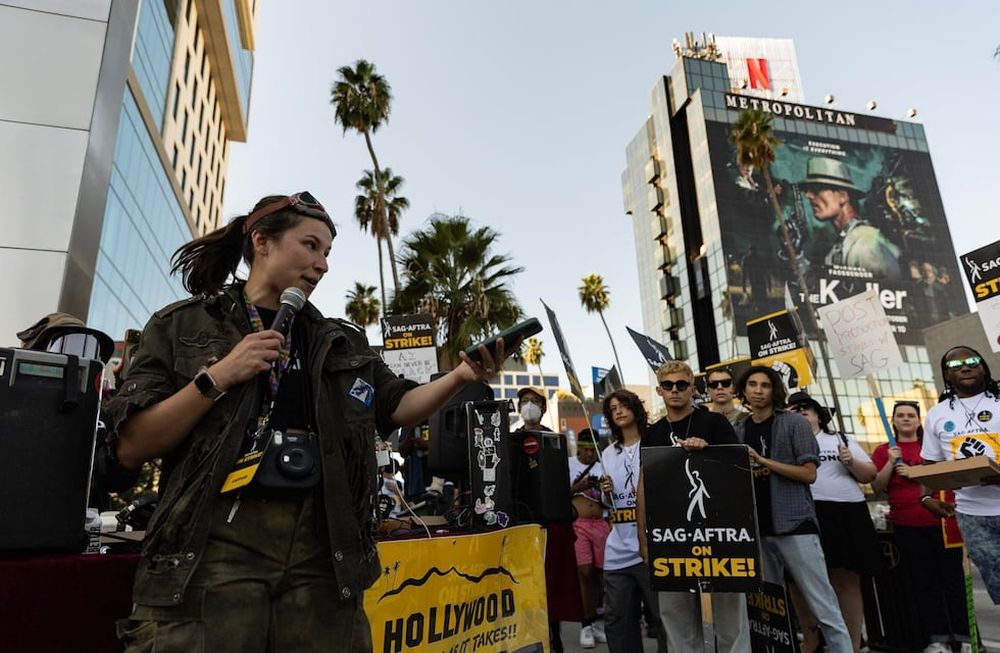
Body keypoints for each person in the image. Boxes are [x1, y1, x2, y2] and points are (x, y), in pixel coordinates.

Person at [108, 192, 509, 652]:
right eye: (310, 245)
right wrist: (218, 377)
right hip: (212, 546)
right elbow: (131, 446)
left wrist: (461, 376)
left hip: (323, 549)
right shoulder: (183, 326)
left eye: (327, 252)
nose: (322, 265)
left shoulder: (338, 341)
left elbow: (398, 405)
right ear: (262, 241)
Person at [733, 366, 853, 652]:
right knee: (768, 612)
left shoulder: (794, 423)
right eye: (752, 384)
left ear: (774, 390)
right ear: (744, 390)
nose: (758, 390)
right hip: (758, 529)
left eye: (765, 385)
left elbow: (809, 474)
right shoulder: (739, 429)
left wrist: (763, 461)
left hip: (795, 524)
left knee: (824, 607)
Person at [636, 361, 748, 652]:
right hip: (670, 536)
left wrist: (707, 452)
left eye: (681, 385)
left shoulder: (715, 422)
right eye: (668, 385)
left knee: (730, 621)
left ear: (692, 389)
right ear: (659, 391)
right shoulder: (652, 433)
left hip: (719, 533)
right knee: (676, 619)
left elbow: (737, 470)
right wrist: (643, 538)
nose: (674, 390)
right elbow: (644, 485)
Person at [785, 392, 881, 653]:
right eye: (793, 410)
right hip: (803, 512)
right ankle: (812, 639)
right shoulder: (784, 441)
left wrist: (851, 462)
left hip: (845, 512)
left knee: (845, 580)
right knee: (798, 581)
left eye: (805, 409)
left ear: (818, 415)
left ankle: (852, 643)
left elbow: (869, 475)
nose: (800, 414)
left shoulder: (841, 439)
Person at [872, 401, 970, 652]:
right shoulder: (884, 451)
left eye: (911, 415)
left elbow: (949, 476)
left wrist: (914, 473)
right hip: (908, 526)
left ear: (919, 420)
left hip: (943, 523)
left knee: (954, 582)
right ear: (893, 421)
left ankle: (965, 638)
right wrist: (890, 463)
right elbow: (876, 486)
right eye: (900, 415)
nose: (906, 419)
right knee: (924, 584)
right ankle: (937, 639)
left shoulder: (932, 446)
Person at [919, 346, 1000, 605]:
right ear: (946, 374)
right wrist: (926, 498)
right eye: (956, 365)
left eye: (972, 361)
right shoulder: (937, 414)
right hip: (973, 516)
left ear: (983, 366)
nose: (965, 367)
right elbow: (930, 463)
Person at [599, 390, 667, 653]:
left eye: (623, 405)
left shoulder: (653, 444)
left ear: (635, 408)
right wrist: (606, 491)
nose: (618, 411)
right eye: (613, 408)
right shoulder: (607, 453)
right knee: (617, 619)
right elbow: (610, 504)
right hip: (617, 549)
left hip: (652, 547)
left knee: (663, 617)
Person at [514, 385, 580, 652]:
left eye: (534, 401)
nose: (529, 405)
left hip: (551, 525)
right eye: (524, 401)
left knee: (553, 588)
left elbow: (560, 482)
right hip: (521, 526)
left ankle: (554, 637)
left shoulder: (554, 440)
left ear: (542, 407)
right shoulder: (511, 440)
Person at [800, 156, 900, 279]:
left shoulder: (865, 243)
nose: (808, 195)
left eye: (816, 189)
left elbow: (889, 287)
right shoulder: (845, 242)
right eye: (808, 190)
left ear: (843, 196)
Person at [569, 428, 609, 649]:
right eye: (585, 450)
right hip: (580, 524)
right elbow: (559, 493)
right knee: (584, 573)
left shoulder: (602, 466)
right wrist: (579, 486)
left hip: (601, 523)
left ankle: (595, 621)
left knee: (600, 574)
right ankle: (585, 624)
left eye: (592, 451)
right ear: (578, 448)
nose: (589, 455)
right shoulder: (568, 465)